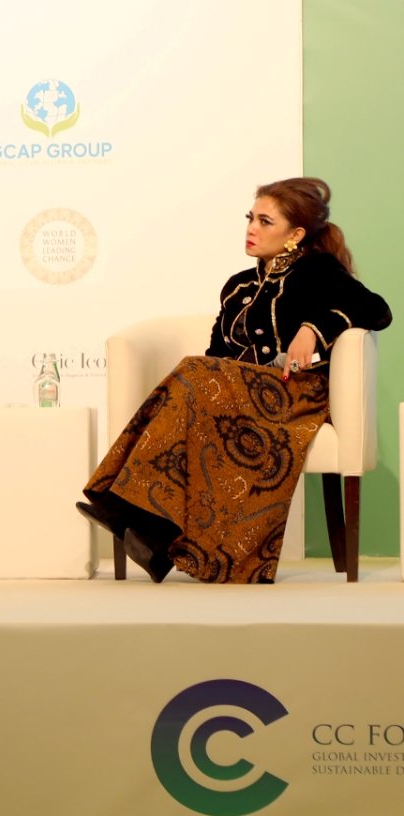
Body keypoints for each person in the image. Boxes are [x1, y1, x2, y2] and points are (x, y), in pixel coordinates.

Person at [80, 177, 391, 583]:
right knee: (196, 377)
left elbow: (376, 308)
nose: (252, 229)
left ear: (295, 235)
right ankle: (152, 526)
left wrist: (313, 328)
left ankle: (129, 510)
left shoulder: (316, 270)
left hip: (293, 394)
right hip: (239, 393)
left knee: (194, 372)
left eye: (265, 221)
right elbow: (216, 356)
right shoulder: (238, 286)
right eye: (250, 218)